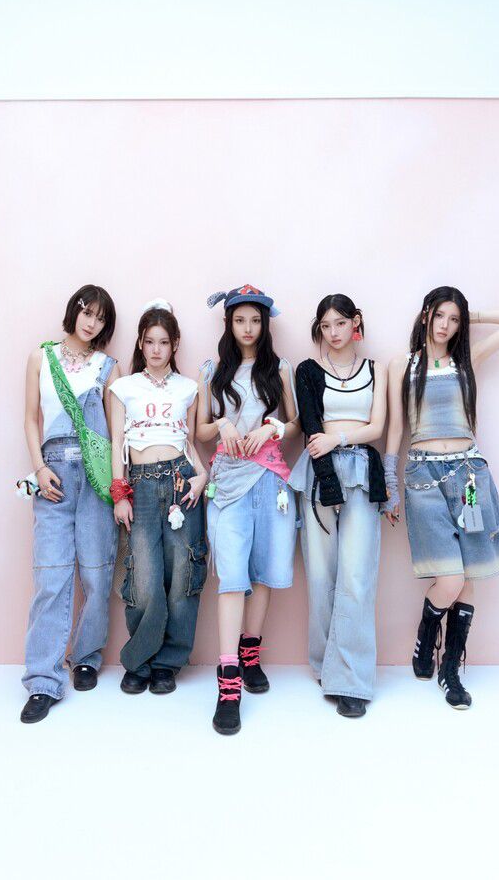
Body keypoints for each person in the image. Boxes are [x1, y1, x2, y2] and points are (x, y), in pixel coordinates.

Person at [384, 287, 499, 709]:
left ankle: (450, 669)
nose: (446, 325)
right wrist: (390, 483)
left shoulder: (466, 361)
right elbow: (396, 428)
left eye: (454, 319)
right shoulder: (403, 365)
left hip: (468, 477)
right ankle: (428, 629)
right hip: (423, 477)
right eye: (440, 316)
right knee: (449, 579)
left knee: (469, 575)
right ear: (425, 316)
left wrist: (472, 313)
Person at [196, 285, 299, 735]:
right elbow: (200, 432)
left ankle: (250, 653)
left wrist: (272, 427)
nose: (248, 328)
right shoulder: (213, 371)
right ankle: (228, 684)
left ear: (264, 324)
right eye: (240, 320)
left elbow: (295, 422)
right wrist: (221, 422)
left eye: (255, 320)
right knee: (232, 577)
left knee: (264, 572)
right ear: (229, 323)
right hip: (228, 485)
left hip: (272, 481)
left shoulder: (280, 369)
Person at [21, 285, 119, 723]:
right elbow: (31, 419)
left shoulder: (108, 367)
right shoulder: (40, 358)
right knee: (51, 575)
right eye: (87, 312)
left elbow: (116, 431)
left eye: (100, 317)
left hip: (95, 476)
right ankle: (42, 681)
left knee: (97, 572)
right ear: (74, 311)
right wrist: (39, 468)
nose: (91, 322)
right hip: (54, 473)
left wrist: (116, 485)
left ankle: (86, 657)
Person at [289, 294, 388, 718]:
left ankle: (351, 679)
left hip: (362, 471)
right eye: (326, 326)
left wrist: (339, 438)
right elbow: (311, 426)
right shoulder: (308, 370)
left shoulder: (377, 370)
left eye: (341, 323)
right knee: (320, 573)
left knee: (356, 573)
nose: (333, 332)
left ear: (355, 323)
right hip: (319, 472)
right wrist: (326, 444)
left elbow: (377, 427)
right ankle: (324, 664)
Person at [109, 299, 208, 696]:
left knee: (183, 573)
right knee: (144, 576)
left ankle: (168, 663)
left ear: (174, 344)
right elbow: (117, 442)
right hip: (141, 485)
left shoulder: (189, 388)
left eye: (163, 342)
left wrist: (202, 476)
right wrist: (120, 492)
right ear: (140, 343)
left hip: (182, 481)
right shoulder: (123, 387)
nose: (155, 349)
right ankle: (140, 660)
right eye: (149, 341)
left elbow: (188, 441)